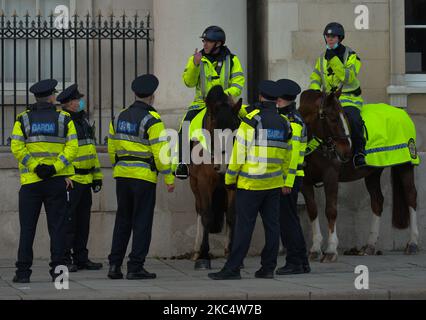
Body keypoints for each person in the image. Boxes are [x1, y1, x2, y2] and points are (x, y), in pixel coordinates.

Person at [208, 80, 292, 280]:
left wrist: (229, 177)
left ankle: (232, 268)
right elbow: (287, 155)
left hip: (250, 183)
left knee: (244, 226)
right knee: (272, 226)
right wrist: (284, 179)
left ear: (261, 97)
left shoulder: (252, 121)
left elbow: (239, 153)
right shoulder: (284, 123)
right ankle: (268, 268)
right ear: (276, 100)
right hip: (273, 184)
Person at [107, 74, 175, 280]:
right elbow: (161, 153)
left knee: (122, 220)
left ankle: (114, 265)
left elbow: (112, 147)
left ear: (135, 94)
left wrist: (118, 166)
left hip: (122, 176)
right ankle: (135, 267)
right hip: (144, 178)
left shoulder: (118, 117)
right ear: (152, 97)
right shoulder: (152, 120)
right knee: (142, 222)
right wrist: (169, 178)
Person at [10, 79, 78, 283]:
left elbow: (16, 147)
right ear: (52, 97)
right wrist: (55, 168)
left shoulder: (22, 119)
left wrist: (35, 167)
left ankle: (22, 274)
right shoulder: (64, 118)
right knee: (58, 229)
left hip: (31, 182)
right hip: (56, 181)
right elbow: (72, 147)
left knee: (27, 229)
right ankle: (59, 276)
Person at [175, 25, 245, 179]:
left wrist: (225, 95)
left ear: (218, 44)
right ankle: (182, 163)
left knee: (249, 121)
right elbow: (188, 82)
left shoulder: (233, 60)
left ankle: (251, 161)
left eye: (208, 41)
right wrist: (194, 65)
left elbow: (238, 83)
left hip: (226, 103)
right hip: (202, 104)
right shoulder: (196, 58)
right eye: (204, 41)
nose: (204, 44)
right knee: (185, 125)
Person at [57, 84, 103, 272]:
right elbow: (60, 152)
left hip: (86, 179)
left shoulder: (83, 121)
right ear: (69, 103)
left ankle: (81, 258)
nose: (80, 102)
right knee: (69, 222)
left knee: (83, 222)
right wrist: (64, 175)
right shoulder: (64, 122)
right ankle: (66, 259)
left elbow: (91, 151)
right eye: (77, 99)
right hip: (72, 179)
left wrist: (97, 177)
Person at [309, 22, 366, 168]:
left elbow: (348, 77)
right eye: (327, 36)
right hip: (328, 100)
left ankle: (359, 152)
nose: (329, 39)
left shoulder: (351, 56)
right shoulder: (322, 58)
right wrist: (315, 92)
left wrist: (333, 59)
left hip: (349, 99)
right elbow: (315, 77)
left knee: (353, 120)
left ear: (340, 38)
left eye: (333, 36)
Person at [275, 79, 310, 275]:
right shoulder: (289, 117)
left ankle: (294, 262)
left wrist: (287, 182)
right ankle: (302, 261)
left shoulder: (294, 122)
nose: (277, 101)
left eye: (280, 99)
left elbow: (294, 154)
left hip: (289, 178)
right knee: (291, 220)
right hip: (289, 177)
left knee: (287, 221)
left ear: (287, 100)